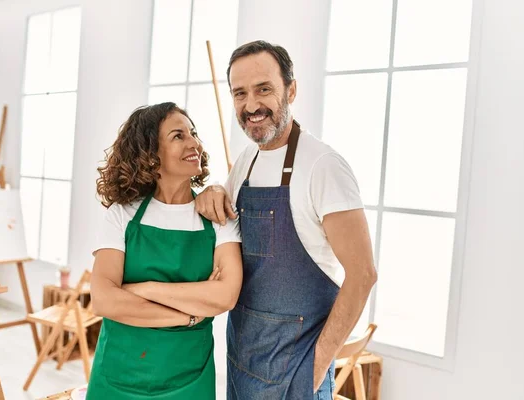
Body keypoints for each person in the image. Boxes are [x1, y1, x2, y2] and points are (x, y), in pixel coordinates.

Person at [194, 41, 378, 399]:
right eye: (240, 94)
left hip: (296, 374)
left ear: (291, 89)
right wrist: (214, 188)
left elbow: (363, 274)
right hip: (242, 363)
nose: (251, 106)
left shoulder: (323, 166)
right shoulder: (246, 162)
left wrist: (316, 367)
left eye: (264, 89)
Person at [87, 102, 243, 400]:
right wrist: (189, 315)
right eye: (178, 136)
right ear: (150, 153)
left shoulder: (217, 217)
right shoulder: (123, 214)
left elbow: (226, 296)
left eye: (193, 133)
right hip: (119, 375)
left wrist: (142, 289)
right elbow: (104, 299)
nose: (194, 143)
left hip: (189, 378)